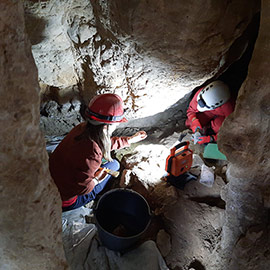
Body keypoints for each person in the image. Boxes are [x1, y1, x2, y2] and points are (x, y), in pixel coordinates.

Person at [49, 93, 147, 212]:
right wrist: (96, 180)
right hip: (62, 201)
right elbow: (82, 189)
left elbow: (103, 143)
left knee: (109, 164)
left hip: (51, 181)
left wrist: (129, 140)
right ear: (108, 125)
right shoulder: (93, 153)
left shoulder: (81, 129)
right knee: (114, 165)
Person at [185, 80, 235, 144]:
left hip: (222, 116)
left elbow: (231, 130)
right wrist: (194, 121)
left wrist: (212, 138)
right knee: (189, 123)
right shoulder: (201, 95)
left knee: (218, 127)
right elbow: (190, 111)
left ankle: (211, 127)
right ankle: (206, 128)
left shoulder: (229, 107)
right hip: (208, 112)